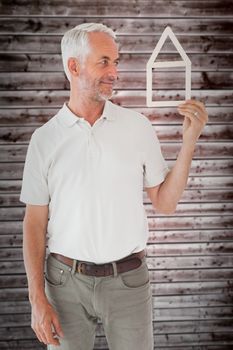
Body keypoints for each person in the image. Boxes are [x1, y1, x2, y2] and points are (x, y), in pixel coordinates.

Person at [20, 23, 208, 350]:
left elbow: (165, 203)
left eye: (116, 62)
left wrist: (188, 144)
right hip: (64, 284)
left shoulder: (137, 127)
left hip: (129, 283)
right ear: (74, 66)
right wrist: (37, 299)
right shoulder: (44, 139)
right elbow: (34, 223)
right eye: (104, 61)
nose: (114, 72)